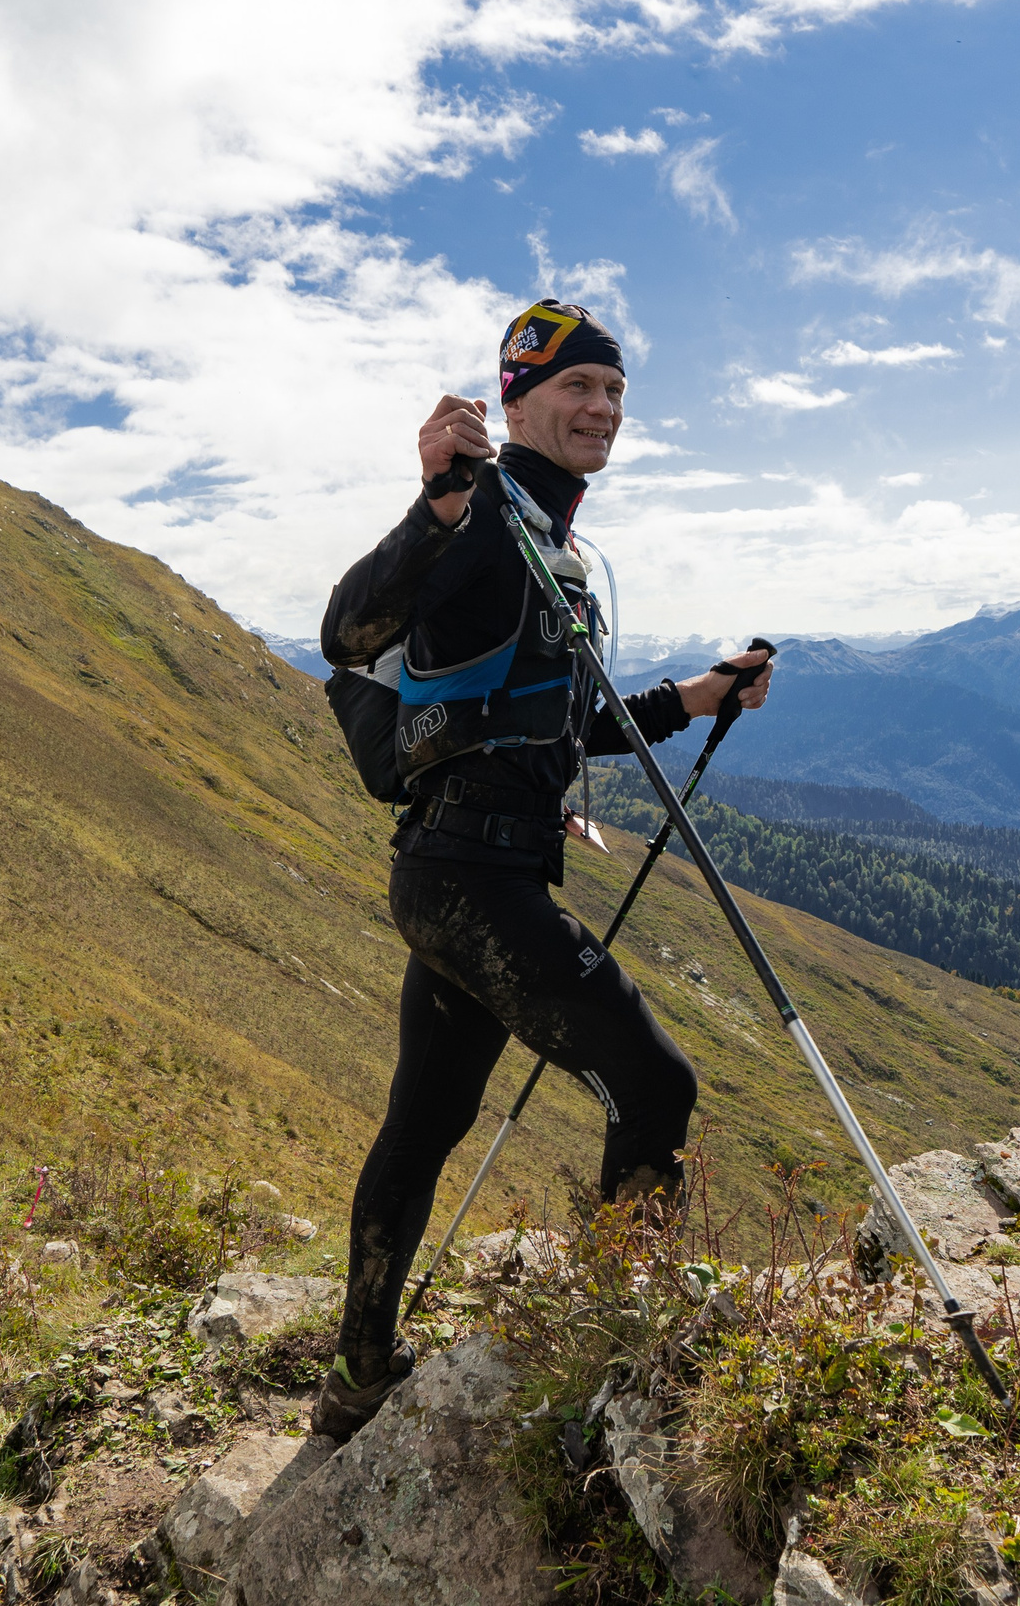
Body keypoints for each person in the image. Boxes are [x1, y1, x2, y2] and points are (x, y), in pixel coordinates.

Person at [314, 299, 774, 1438]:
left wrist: (703, 695)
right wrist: (432, 502)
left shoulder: (556, 551)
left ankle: (356, 1379)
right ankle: (632, 1366)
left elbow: (570, 721)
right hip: (471, 878)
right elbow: (345, 632)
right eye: (578, 388)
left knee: (422, 1128)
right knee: (656, 1085)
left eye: (614, 393)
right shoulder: (484, 519)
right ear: (515, 397)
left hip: (464, 875)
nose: (602, 410)